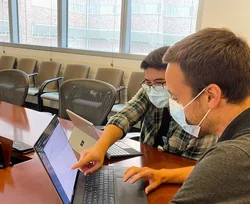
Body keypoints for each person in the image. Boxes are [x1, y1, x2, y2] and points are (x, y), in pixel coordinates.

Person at [127, 27, 250, 204]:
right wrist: (166, 175)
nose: (175, 105)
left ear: (211, 96)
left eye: (175, 96)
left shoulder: (234, 158)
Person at [71, 47, 217, 181]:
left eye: (161, 82)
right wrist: (99, 148)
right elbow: (124, 116)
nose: (154, 88)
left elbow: (205, 169)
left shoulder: (199, 110)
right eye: (148, 82)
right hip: (147, 168)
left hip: (180, 179)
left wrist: (162, 175)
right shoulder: (150, 89)